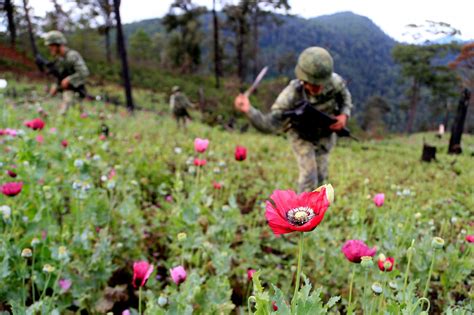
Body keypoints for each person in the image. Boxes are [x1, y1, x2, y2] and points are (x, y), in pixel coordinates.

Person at [234, 47, 353, 192]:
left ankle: (319, 212)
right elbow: (269, 123)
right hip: (301, 135)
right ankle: (302, 213)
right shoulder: (291, 95)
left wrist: (343, 115)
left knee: (322, 179)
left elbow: (345, 97)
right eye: (314, 85)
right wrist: (248, 110)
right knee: (310, 176)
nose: (319, 88)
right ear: (303, 79)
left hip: (324, 135)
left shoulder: (335, 82)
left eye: (322, 83)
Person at [43, 30, 89, 115]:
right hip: (65, 92)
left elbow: (84, 72)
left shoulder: (72, 56)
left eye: (51, 46)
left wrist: (69, 80)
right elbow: (60, 77)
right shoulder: (59, 60)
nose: (49, 48)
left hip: (76, 91)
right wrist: (56, 86)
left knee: (64, 114)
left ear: (57, 45)